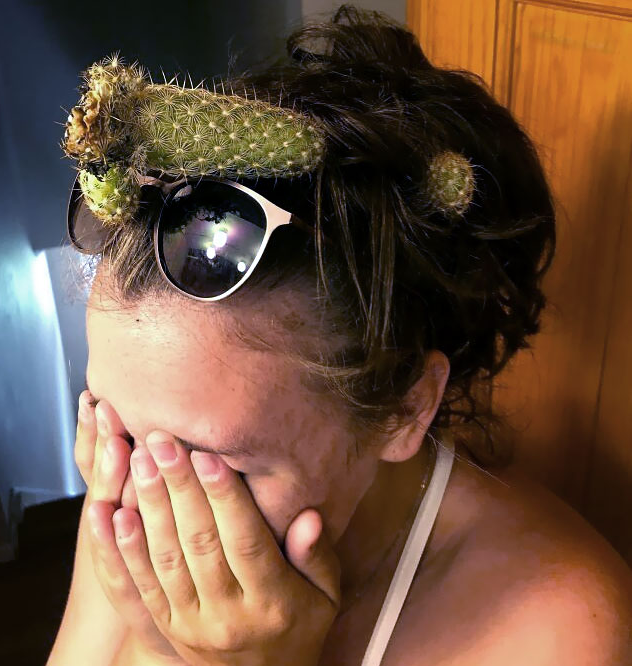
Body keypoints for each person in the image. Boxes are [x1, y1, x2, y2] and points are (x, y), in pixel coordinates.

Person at [47, 6, 632, 665]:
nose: (140, 498)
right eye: (113, 428)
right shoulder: (132, 497)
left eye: (215, 466)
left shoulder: (561, 630)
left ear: (404, 406)